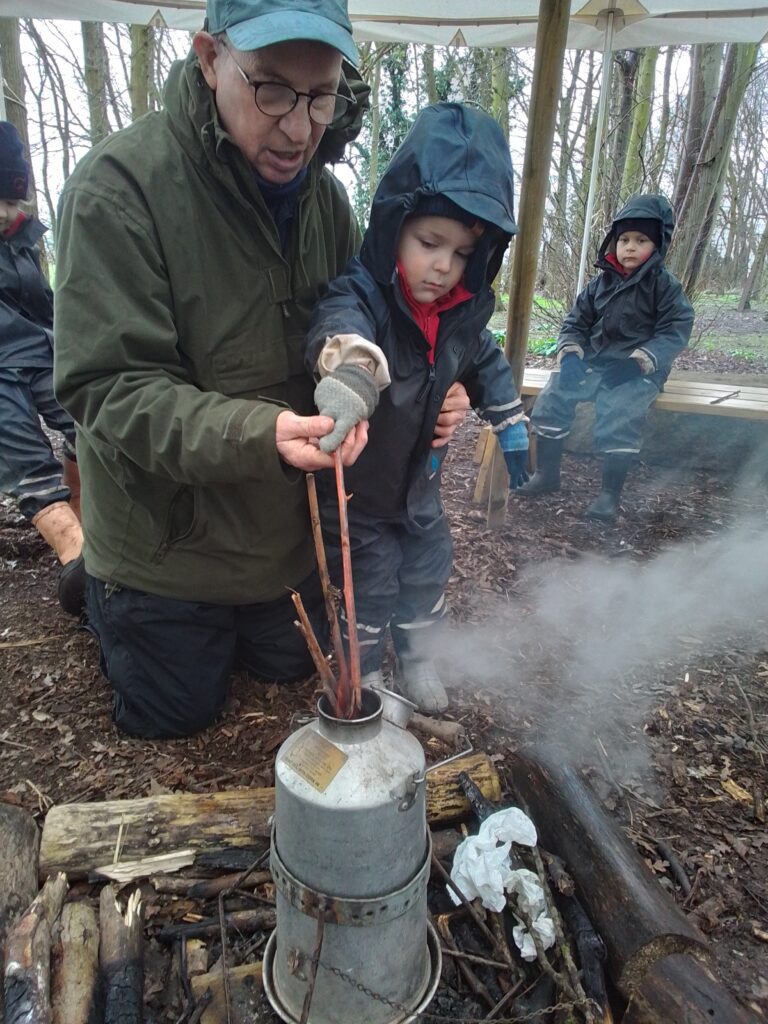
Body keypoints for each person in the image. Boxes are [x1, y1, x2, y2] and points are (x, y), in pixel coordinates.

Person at [53, 0, 469, 739]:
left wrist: (429, 390)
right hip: (166, 543)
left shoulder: (327, 203)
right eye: (271, 88)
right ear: (210, 58)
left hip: (279, 541)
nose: (301, 126)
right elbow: (108, 387)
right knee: (174, 713)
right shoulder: (120, 189)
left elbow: (365, 330)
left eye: (321, 94)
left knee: (286, 666)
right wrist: (259, 434)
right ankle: (99, 587)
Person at [306, 102, 529, 713]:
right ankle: (366, 671)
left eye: (461, 253)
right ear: (393, 227)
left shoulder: (461, 311)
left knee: (429, 568)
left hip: (420, 487)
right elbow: (339, 326)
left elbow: (481, 359)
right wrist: (351, 368)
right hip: (362, 491)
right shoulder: (366, 293)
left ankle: (419, 655)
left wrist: (508, 418)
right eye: (430, 242)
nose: (443, 266)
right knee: (369, 586)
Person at [519, 194, 693, 521]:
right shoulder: (601, 283)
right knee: (555, 394)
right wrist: (570, 357)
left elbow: (675, 330)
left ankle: (608, 497)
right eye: (624, 239)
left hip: (637, 369)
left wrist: (639, 362)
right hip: (597, 361)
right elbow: (575, 322)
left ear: (657, 246)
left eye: (641, 240)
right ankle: (547, 474)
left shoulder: (665, 287)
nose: (629, 247)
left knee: (620, 410)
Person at [0, 121, 85, 616]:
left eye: (14, 202)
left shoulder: (21, 239)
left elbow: (45, 304)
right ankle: (79, 563)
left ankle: (90, 523)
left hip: (42, 353)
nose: (8, 213)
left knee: (86, 420)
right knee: (28, 461)